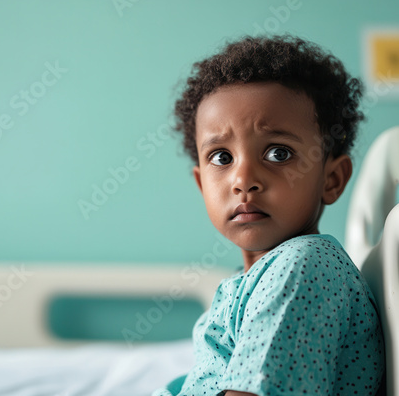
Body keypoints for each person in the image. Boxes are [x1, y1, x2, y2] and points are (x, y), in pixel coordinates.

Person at [152, 35, 385, 396]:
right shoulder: (250, 280)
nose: (243, 181)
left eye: (278, 154)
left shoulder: (304, 267)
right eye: (222, 158)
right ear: (201, 184)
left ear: (332, 179)